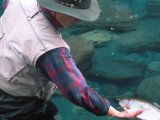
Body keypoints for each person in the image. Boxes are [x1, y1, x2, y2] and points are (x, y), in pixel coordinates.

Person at [0, 0, 143, 120]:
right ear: (58, 10)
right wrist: (116, 112)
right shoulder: (51, 51)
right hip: (15, 98)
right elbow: (78, 91)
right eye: (75, 15)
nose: (79, 19)